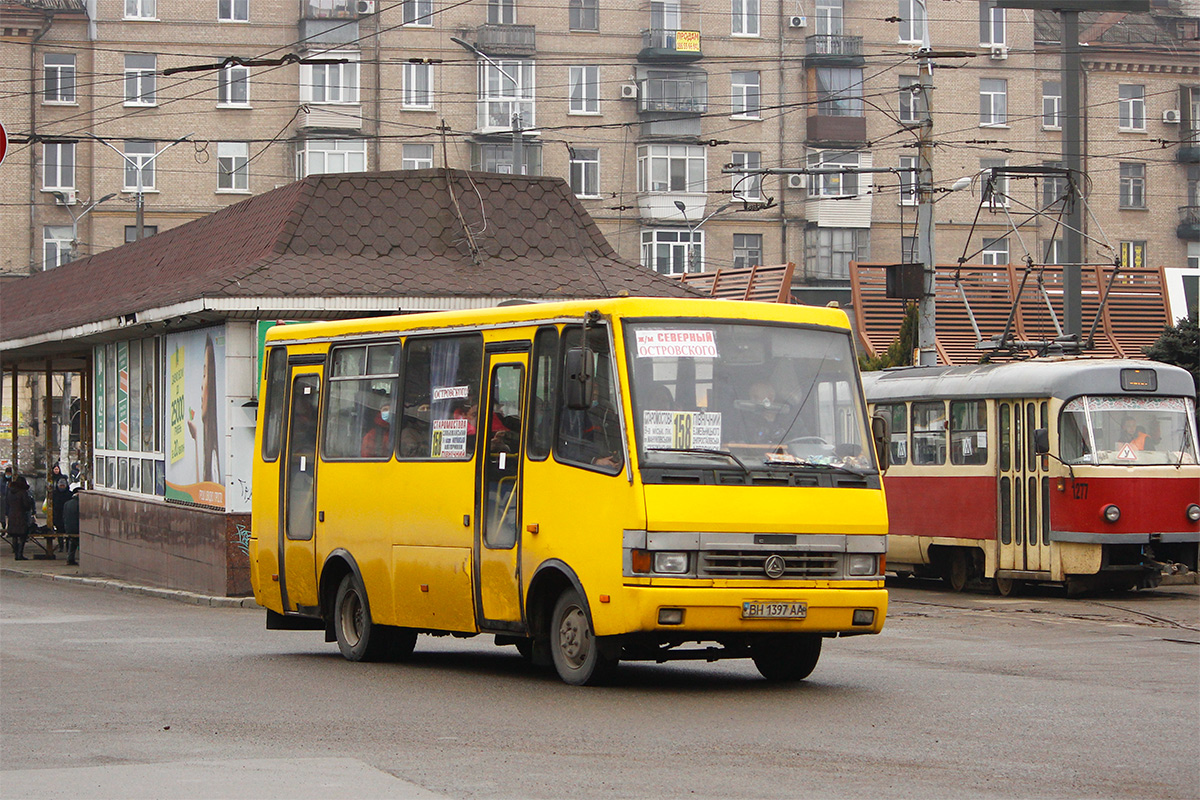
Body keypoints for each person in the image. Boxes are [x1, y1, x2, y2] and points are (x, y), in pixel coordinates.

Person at [5, 475, 33, 561]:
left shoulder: (10, 492)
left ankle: (16, 553)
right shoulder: (23, 492)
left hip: (12, 515)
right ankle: (20, 554)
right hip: (21, 515)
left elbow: (7, 503)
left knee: (14, 535)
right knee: (22, 535)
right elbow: (26, 505)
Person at [63, 483, 80, 566]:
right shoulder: (81, 504)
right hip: (78, 528)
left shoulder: (67, 503)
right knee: (78, 541)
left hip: (68, 528)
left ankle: (70, 558)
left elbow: (64, 516)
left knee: (72, 541)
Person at [0, 465, 11, 533]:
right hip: (3, 499)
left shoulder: (13, 480)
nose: (8, 475)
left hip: (10, 499)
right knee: (2, 514)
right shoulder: (2, 480)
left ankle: (9, 529)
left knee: (10, 515)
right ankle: (3, 527)